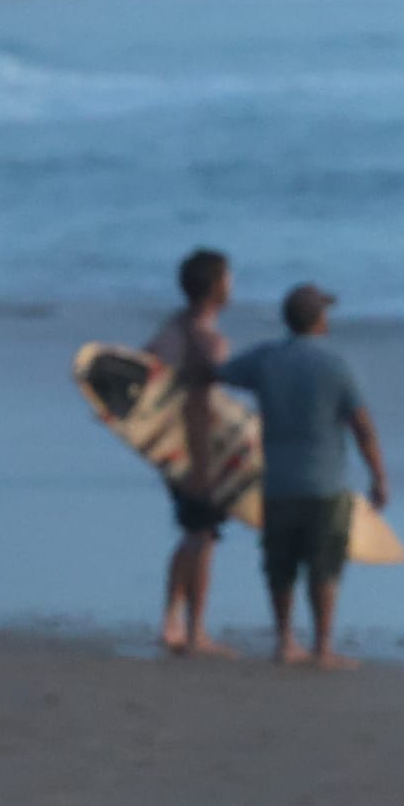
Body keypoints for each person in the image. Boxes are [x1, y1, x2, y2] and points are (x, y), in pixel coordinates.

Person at [218, 283, 390, 670]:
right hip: (325, 486)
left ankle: (284, 642)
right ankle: (323, 647)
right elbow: (362, 428)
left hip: (278, 485)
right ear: (319, 320)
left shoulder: (265, 359)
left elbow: (219, 373)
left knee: (280, 565)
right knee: (324, 565)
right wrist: (379, 477)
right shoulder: (336, 364)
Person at [145, 246, 235, 657]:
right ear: (217, 287)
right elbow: (200, 407)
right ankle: (197, 632)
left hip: (168, 449)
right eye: (229, 278)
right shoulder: (207, 342)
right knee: (204, 538)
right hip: (196, 452)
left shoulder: (172, 328)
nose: (232, 285)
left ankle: (171, 623)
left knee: (190, 535)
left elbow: (142, 369)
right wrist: (203, 467)